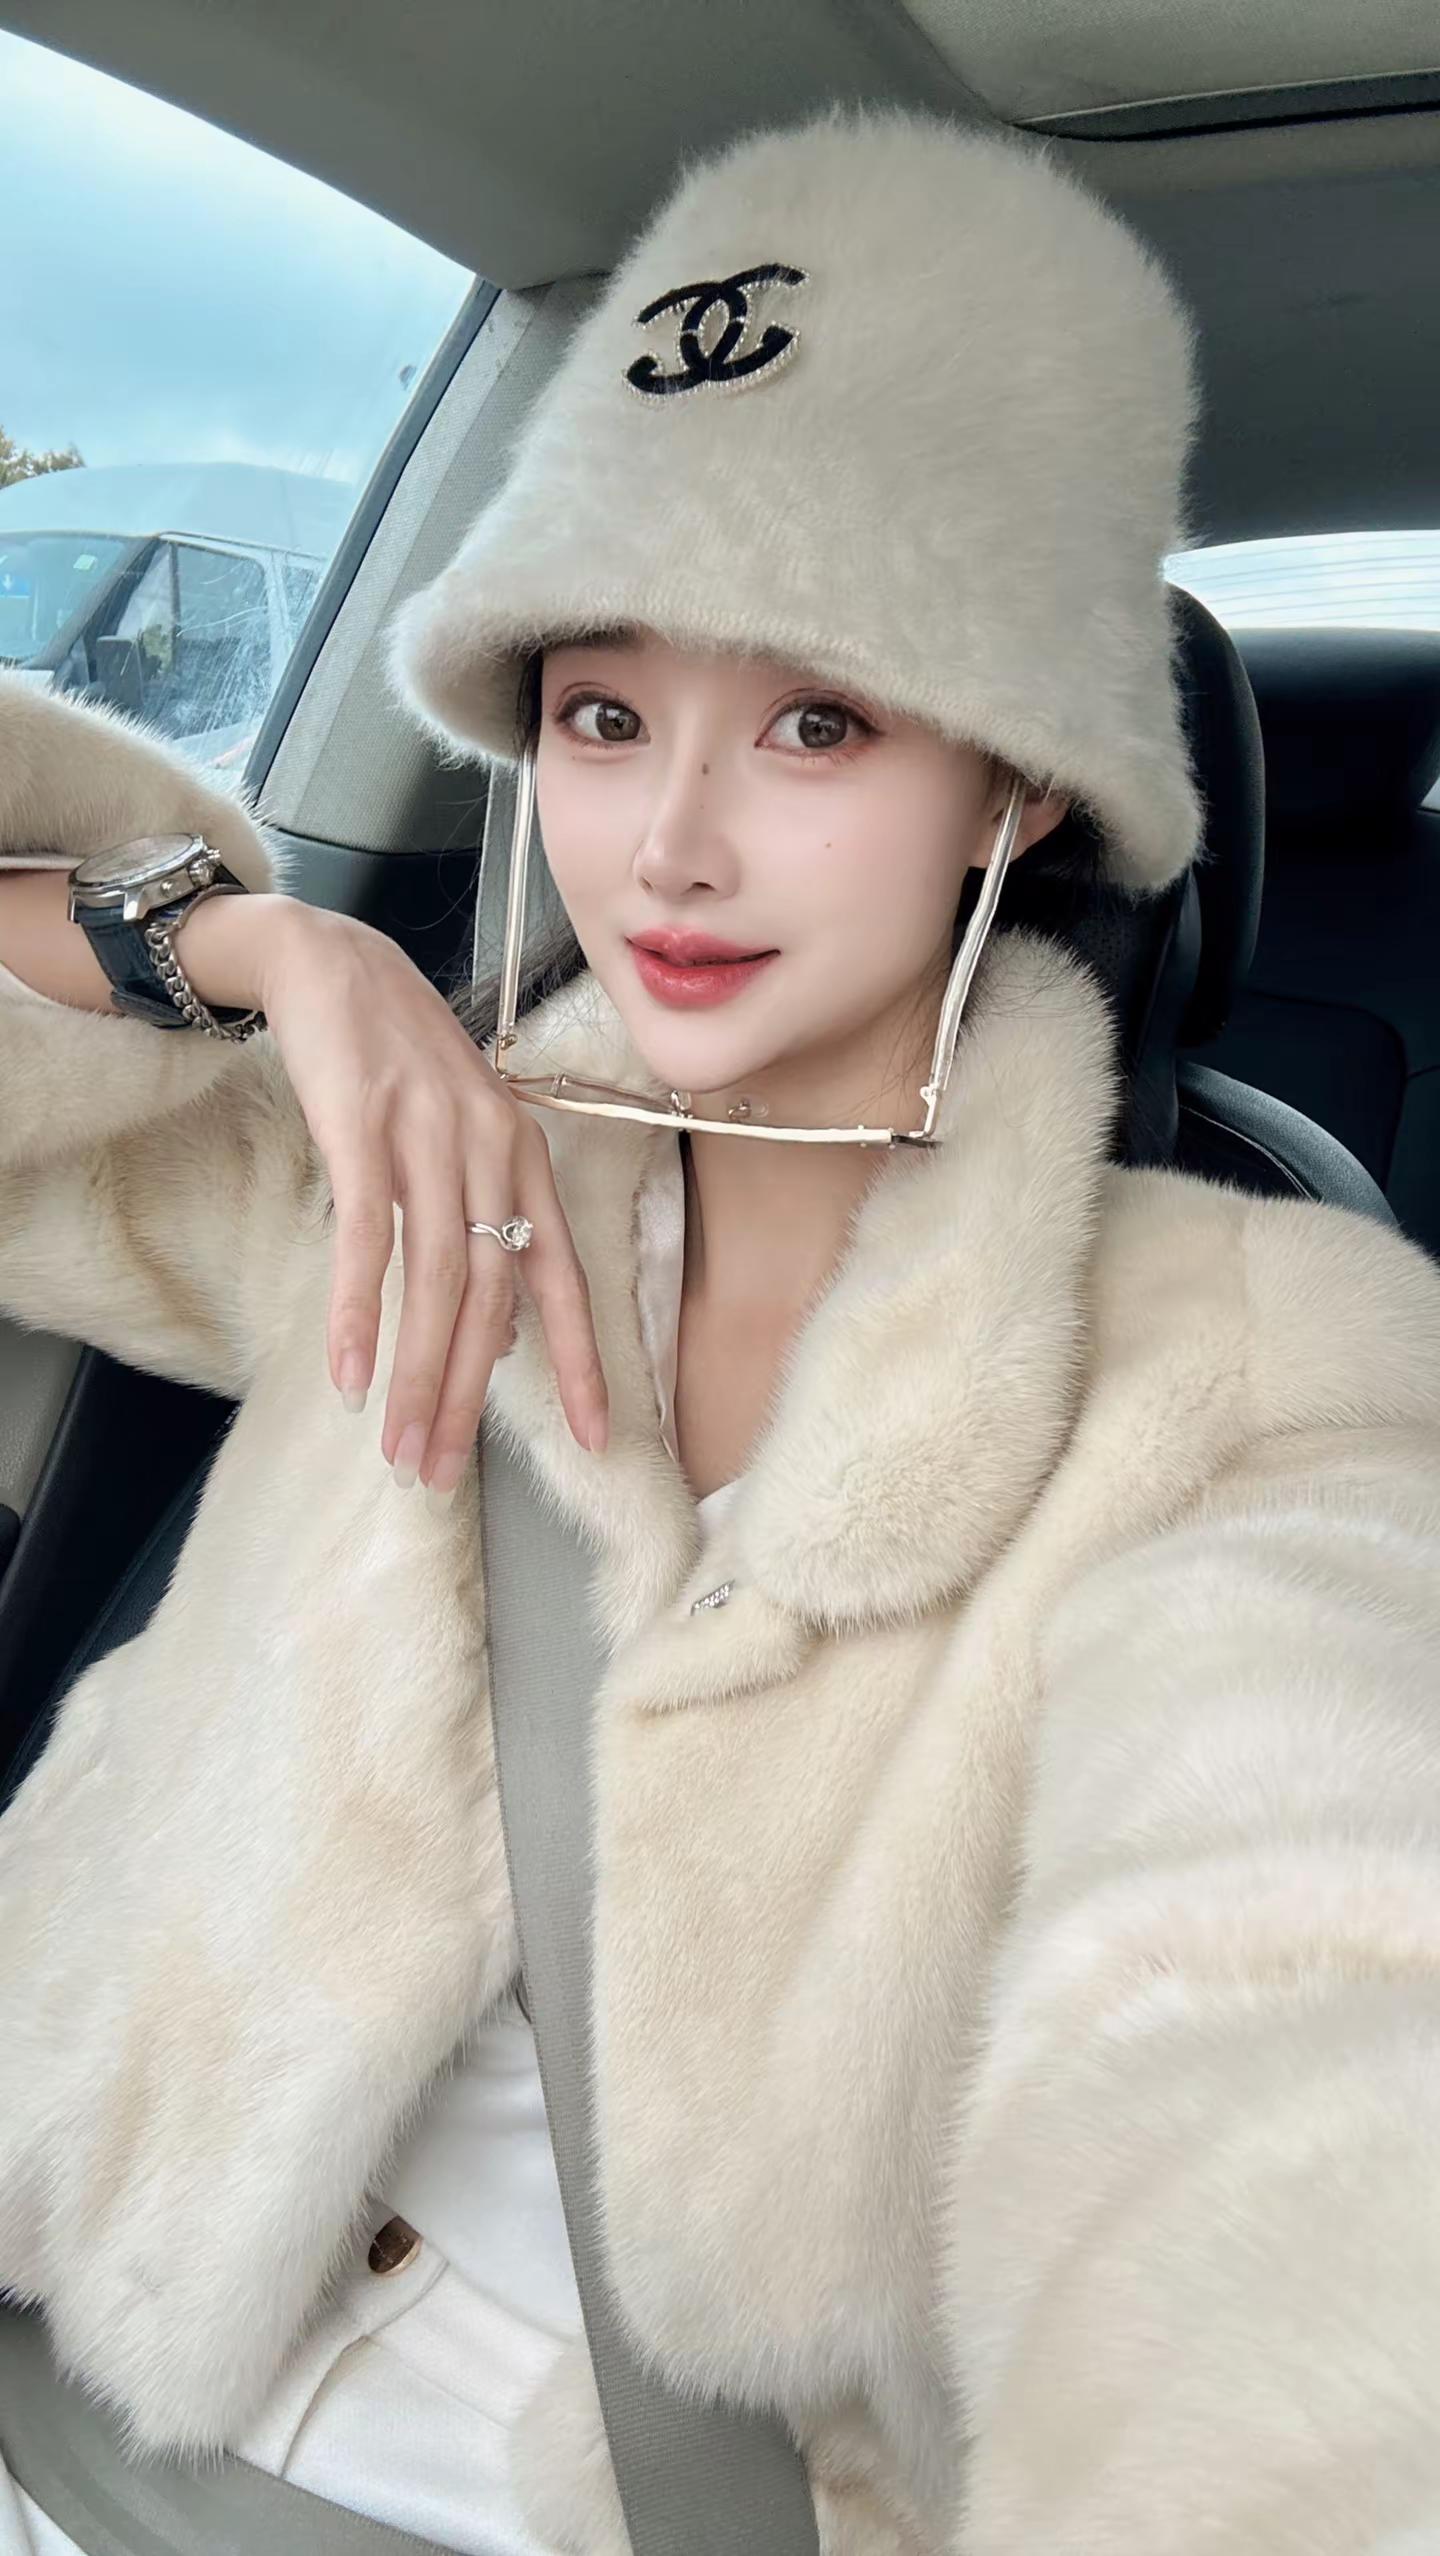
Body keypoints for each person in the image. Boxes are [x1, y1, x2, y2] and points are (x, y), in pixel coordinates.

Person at [3, 102, 1440, 2556]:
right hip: (70, 2379)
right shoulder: (402, 1167)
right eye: (601, 716)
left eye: (815, 722)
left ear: (1013, 791)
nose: (668, 842)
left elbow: (1300, 1992)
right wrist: (250, 947)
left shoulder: (1266, 1368)